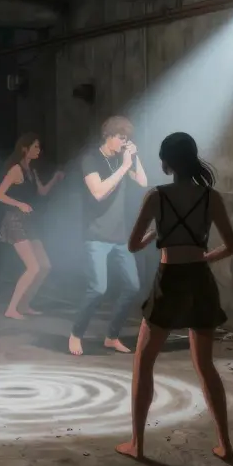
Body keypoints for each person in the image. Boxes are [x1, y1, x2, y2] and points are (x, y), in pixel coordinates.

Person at [117, 132, 233, 461]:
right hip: (200, 280)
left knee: (144, 361)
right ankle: (225, 444)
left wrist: (160, 231)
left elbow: (132, 245)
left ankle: (137, 445)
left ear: (167, 163)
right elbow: (231, 245)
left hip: (169, 281)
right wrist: (204, 258)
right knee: (205, 365)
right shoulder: (211, 197)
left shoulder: (157, 196)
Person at [70, 115, 148, 356]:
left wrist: (134, 158)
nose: (124, 143)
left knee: (133, 287)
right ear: (109, 136)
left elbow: (143, 182)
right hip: (96, 235)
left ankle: (112, 336)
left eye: (127, 140)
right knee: (98, 288)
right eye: (121, 138)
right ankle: (76, 333)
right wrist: (125, 167)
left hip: (120, 236)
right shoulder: (91, 159)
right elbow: (98, 192)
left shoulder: (121, 159)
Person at [0, 133, 64, 319]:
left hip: (29, 221)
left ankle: (24, 305)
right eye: (35, 147)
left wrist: (55, 179)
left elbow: (41, 192)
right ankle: (12, 308)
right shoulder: (16, 170)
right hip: (15, 221)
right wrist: (19, 204)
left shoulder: (30, 171)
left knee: (45, 266)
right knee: (33, 267)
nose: (38, 150)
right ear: (25, 149)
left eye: (39, 147)